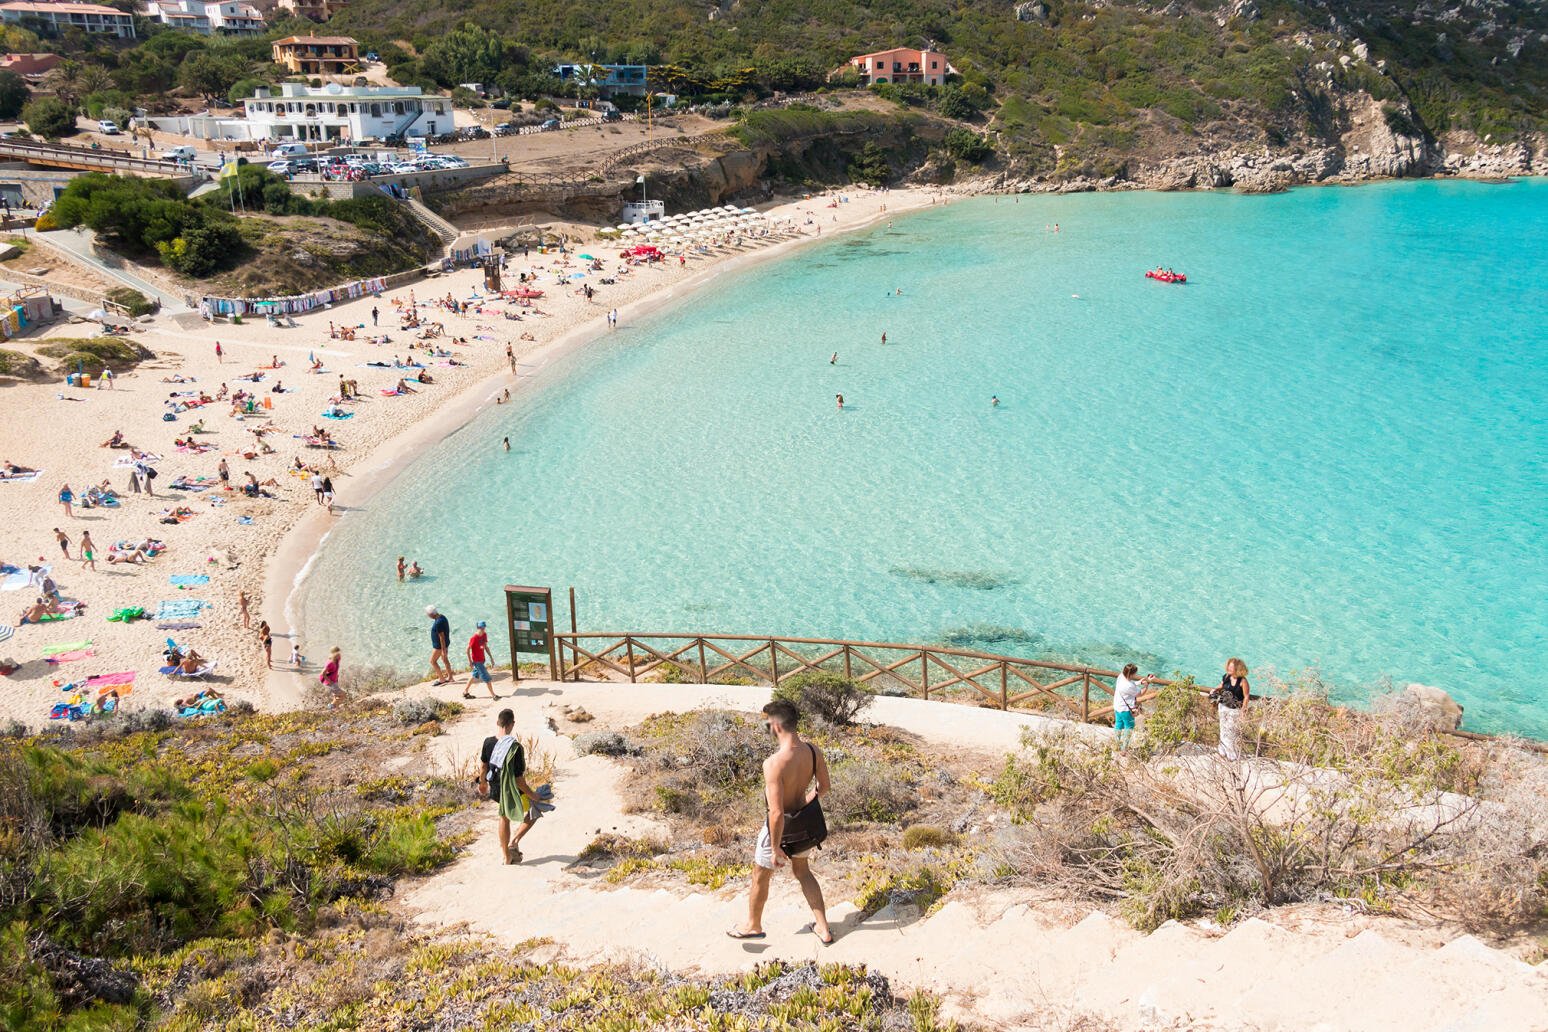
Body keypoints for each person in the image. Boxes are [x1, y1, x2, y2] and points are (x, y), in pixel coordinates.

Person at [729, 699, 833, 944]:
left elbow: (775, 813)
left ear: (775, 725)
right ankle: (823, 928)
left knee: (759, 875)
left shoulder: (773, 764)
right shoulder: (812, 751)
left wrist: (775, 848)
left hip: (778, 831)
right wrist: (803, 803)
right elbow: (824, 787)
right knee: (803, 872)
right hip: (805, 826)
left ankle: (753, 925)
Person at [481, 708, 541, 863]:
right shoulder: (515, 747)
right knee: (537, 807)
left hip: (495, 789)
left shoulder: (488, 742)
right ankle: (514, 842)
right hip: (511, 790)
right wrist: (532, 794)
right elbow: (518, 779)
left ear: (498, 722)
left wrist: (482, 783)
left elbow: (483, 766)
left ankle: (507, 856)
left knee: (503, 816)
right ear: (512, 724)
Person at [1215, 657, 1250, 760]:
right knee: (1223, 729)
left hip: (1235, 710)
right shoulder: (1226, 676)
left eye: (1231, 667)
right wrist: (1215, 689)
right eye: (1228, 667)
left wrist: (1244, 711)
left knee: (1231, 731)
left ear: (1238, 669)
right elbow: (1222, 685)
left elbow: (1246, 696)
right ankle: (1222, 751)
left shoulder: (1243, 681)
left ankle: (1232, 754)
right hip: (1223, 706)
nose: (1229, 669)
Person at [1113, 663, 1154, 751]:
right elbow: (1140, 693)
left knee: (1118, 724)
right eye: (1134, 674)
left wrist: (1139, 682)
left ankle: (1117, 744)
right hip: (1126, 710)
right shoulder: (1129, 686)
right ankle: (1124, 749)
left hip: (1117, 706)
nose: (1135, 675)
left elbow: (1131, 683)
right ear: (1130, 674)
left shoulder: (1121, 677)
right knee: (1129, 727)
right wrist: (1147, 685)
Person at [464, 621, 497, 700]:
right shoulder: (474, 638)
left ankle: (465, 692)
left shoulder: (484, 635)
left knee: (474, 676)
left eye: (484, 628)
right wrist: (470, 662)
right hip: (477, 661)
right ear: (478, 628)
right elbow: (467, 650)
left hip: (482, 660)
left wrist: (491, 658)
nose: (482, 630)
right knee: (487, 678)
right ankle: (493, 695)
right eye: (481, 628)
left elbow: (486, 647)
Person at [426, 605, 452, 685]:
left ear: (431, 615)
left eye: (428, 614)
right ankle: (450, 677)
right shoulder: (442, 617)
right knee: (445, 660)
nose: (428, 616)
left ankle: (442, 679)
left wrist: (443, 650)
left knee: (433, 661)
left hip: (439, 647)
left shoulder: (438, 623)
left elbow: (442, 637)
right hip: (445, 644)